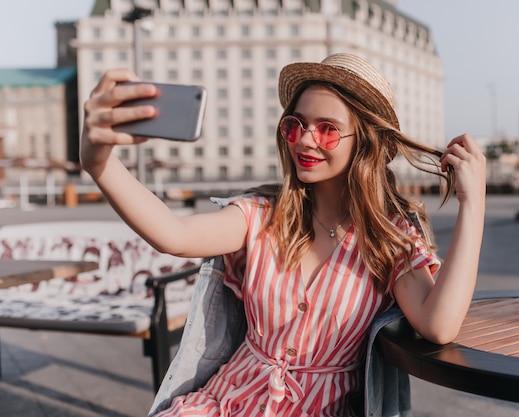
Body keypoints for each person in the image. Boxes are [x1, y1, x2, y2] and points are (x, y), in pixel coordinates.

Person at [80, 53, 486, 417]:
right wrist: (98, 163)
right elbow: (174, 234)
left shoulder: (387, 237)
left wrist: (474, 203)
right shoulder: (262, 215)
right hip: (224, 403)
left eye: (328, 129)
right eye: (297, 124)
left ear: (363, 141)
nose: (306, 140)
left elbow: (439, 325)